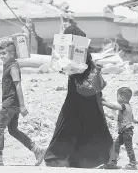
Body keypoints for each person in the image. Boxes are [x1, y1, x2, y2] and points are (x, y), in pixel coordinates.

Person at [43, 25, 113, 168]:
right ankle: (101, 157)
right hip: (85, 94)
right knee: (90, 123)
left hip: (81, 93)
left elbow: (79, 70)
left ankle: (58, 156)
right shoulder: (80, 49)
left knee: (69, 121)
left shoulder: (80, 51)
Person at [0, 41, 46, 166]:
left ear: (12, 54)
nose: (1, 56)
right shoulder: (8, 65)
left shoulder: (13, 67)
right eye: (0, 53)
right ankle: (37, 150)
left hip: (10, 104)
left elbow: (18, 86)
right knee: (12, 130)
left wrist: (22, 106)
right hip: (13, 104)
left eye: (4, 53)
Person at [101, 87, 138, 170]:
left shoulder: (124, 106)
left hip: (126, 131)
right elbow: (131, 117)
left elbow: (114, 107)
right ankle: (112, 163)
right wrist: (134, 121)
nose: (117, 98)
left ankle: (133, 164)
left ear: (122, 97)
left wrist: (104, 103)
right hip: (124, 132)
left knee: (128, 148)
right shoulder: (129, 106)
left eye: (117, 96)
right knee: (116, 146)